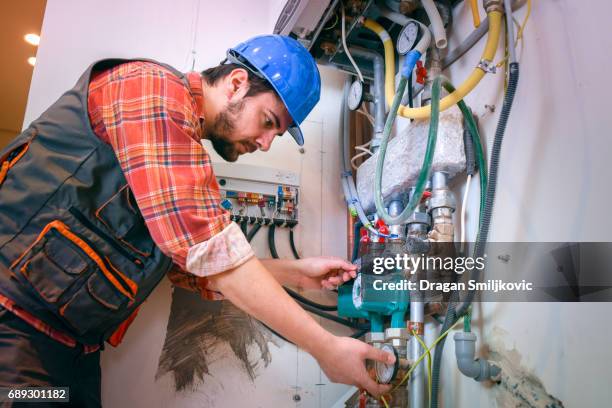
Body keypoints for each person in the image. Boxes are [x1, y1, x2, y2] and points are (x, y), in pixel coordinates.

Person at [0, 35, 393, 406]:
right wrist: (327, 348)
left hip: (67, 352)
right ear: (237, 83)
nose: (266, 142)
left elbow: (193, 270)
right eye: (269, 121)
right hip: (14, 330)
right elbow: (212, 254)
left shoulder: (180, 154)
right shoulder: (151, 90)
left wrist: (295, 272)